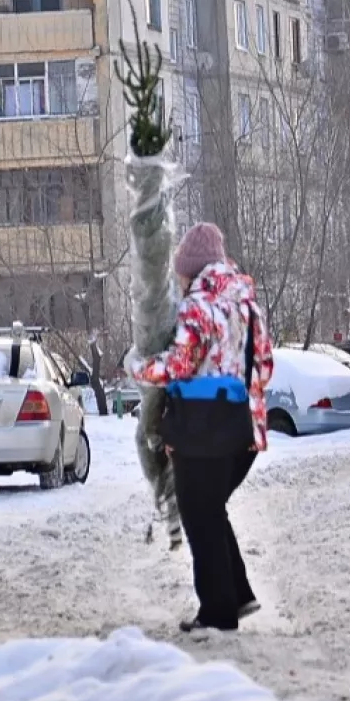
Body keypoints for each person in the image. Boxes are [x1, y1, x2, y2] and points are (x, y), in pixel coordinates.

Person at [129, 222, 275, 635]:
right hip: (245, 430)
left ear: (191, 268)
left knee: (199, 514)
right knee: (210, 510)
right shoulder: (247, 304)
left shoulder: (198, 305)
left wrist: (137, 368)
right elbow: (265, 367)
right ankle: (238, 593)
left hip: (203, 433)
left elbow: (178, 365)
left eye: (180, 270)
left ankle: (217, 612)